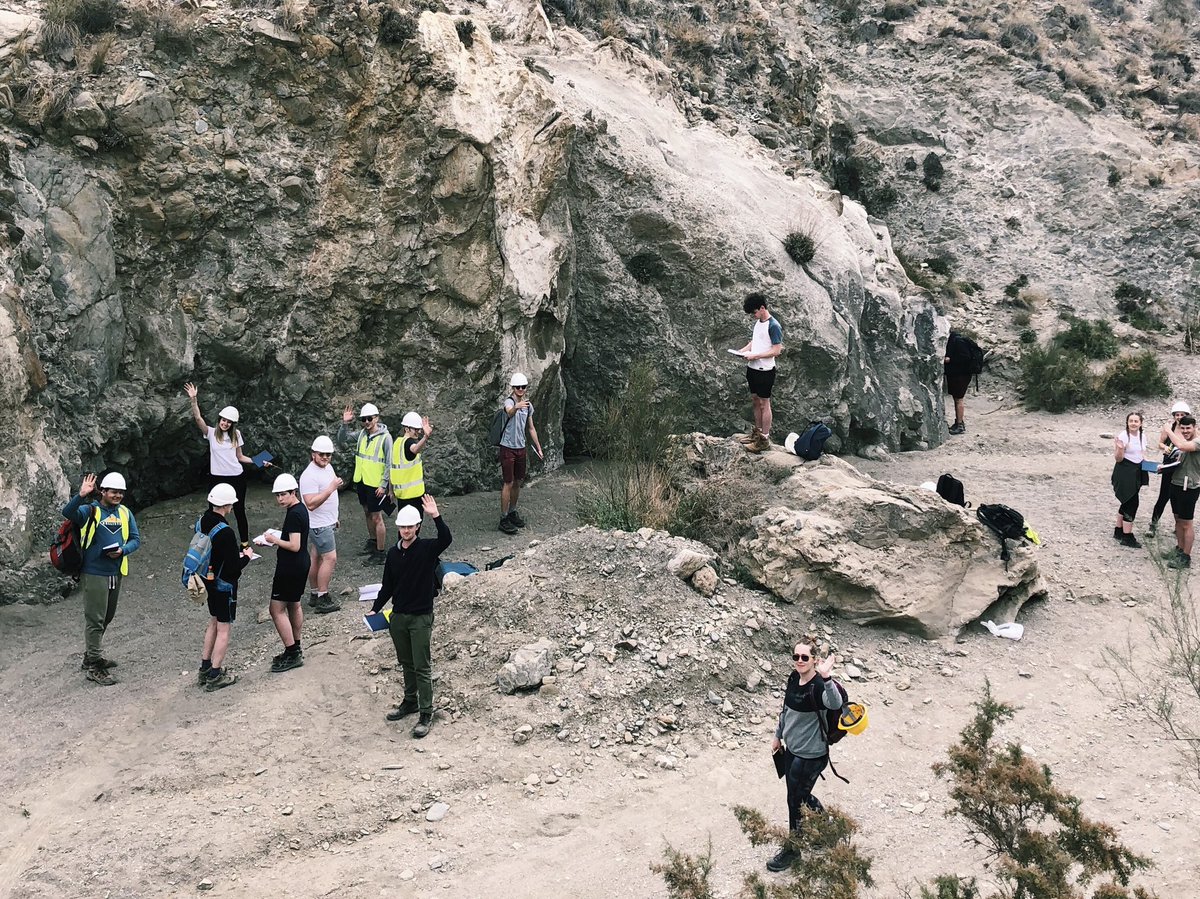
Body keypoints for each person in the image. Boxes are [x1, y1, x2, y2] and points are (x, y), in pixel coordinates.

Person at [373, 496, 452, 738]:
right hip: (398, 616)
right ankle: (410, 701)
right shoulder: (393, 554)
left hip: (420, 617)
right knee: (406, 662)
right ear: (398, 528)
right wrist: (375, 609)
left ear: (417, 526)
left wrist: (436, 516)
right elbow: (387, 586)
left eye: (410, 526)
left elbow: (446, 539)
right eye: (403, 527)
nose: (406, 531)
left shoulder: (427, 549)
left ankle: (426, 712)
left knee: (422, 666)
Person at [766, 636, 842, 873]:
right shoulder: (793, 679)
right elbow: (785, 711)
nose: (799, 660)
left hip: (811, 754)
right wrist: (778, 735)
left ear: (814, 660)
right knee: (800, 795)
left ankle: (793, 849)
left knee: (794, 800)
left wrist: (827, 677)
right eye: (796, 656)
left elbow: (835, 703)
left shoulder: (819, 686)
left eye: (805, 657)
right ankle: (827, 828)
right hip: (792, 750)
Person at [62, 472, 141, 686]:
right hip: (94, 572)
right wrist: (81, 495)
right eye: (114, 492)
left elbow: (135, 539)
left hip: (115, 571)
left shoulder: (124, 513)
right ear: (103, 491)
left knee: (107, 616)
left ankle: (91, 655)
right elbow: (67, 512)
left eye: (121, 493)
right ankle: (94, 665)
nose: (118, 496)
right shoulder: (90, 510)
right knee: (95, 619)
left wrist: (123, 550)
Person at [184, 382, 272, 545]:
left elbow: (240, 457)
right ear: (220, 420)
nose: (225, 423)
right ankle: (208, 542)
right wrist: (193, 399)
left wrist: (260, 461)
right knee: (213, 510)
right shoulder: (211, 433)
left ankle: (244, 544)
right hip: (217, 478)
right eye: (223, 420)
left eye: (229, 422)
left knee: (239, 510)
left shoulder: (236, 434)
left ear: (232, 424)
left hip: (236, 477)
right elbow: (198, 418)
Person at [197, 482, 254, 692]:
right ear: (226, 505)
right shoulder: (226, 532)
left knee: (213, 621)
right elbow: (233, 567)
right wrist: (246, 557)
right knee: (224, 628)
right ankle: (215, 675)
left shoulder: (202, 521)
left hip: (207, 581)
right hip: (224, 586)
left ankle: (205, 667)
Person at [264, 473, 311, 671]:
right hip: (300, 564)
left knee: (276, 609)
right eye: (278, 495)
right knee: (294, 604)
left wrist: (274, 540)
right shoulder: (300, 509)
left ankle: (292, 652)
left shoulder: (293, 514)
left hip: (290, 567)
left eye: (283, 494)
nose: (280, 499)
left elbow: (294, 545)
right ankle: (295, 646)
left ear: (293, 492)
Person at [338, 402, 394, 564]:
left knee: (377, 517)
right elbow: (342, 440)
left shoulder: (386, 438)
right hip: (362, 481)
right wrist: (345, 423)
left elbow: (389, 463)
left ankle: (380, 553)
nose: (367, 422)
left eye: (369, 418)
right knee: (367, 512)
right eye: (363, 419)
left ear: (377, 418)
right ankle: (373, 542)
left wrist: (384, 485)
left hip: (376, 484)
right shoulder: (362, 434)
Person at [299, 435, 343, 614]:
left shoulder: (327, 468)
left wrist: (334, 517)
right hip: (319, 525)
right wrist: (331, 488)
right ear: (313, 454)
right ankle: (322, 597)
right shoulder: (309, 476)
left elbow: (329, 496)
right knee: (330, 558)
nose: (325, 457)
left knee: (316, 556)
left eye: (328, 454)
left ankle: (315, 593)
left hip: (326, 521)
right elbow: (310, 503)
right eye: (321, 454)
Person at [736, 292, 783, 453]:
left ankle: (764, 438)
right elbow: (755, 341)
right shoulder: (759, 323)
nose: (754, 315)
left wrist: (755, 356)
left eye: (755, 312)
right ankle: (757, 433)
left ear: (762, 308)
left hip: (765, 370)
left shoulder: (774, 326)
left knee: (764, 403)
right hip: (753, 368)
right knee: (755, 400)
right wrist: (742, 351)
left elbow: (777, 350)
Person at [498, 373, 544, 535]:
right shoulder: (509, 402)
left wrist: (538, 447)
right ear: (513, 388)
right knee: (508, 482)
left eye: (523, 387)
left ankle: (512, 511)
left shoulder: (528, 406)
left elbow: (531, 428)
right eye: (517, 387)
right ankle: (504, 518)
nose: (520, 389)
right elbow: (509, 412)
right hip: (507, 447)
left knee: (518, 481)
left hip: (520, 447)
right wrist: (517, 407)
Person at [1148, 401, 1191, 537]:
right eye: (1177, 415)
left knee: (1178, 497)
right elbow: (1160, 443)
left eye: (1182, 414)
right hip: (1169, 465)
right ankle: (1153, 525)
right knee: (1164, 495)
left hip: (1183, 467)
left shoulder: (1189, 430)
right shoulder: (1169, 428)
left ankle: (1178, 526)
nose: (1179, 417)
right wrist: (1165, 447)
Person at [1164, 414, 1200, 570]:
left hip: (1189, 486)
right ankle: (1179, 549)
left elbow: (1183, 446)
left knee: (1187, 523)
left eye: (1188, 428)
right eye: (1182, 428)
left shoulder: (1197, 442)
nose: (1185, 431)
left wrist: (1168, 431)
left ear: (1194, 427)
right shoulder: (1185, 441)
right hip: (1176, 483)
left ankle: (1186, 556)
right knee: (1178, 519)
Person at [1111, 411, 1148, 549]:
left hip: (1137, 470)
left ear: (1140, 423)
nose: (1133, 423)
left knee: (1127, 500)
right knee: (1132, 503)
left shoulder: (1142, 436)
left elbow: (1142, 453)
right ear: (1127, 423)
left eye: (1136, 421)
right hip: (1125, 471)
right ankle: (1127, 536)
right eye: (1131, 421)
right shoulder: (1123, 436)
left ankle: (1118, 530)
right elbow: (1118, 459)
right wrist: (1120, 449)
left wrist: (1150, 464)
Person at [391, 411, 432, 522]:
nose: (418, 432)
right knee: (414, 526)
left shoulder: (397, 443)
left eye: (419, 429)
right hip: (413, 496)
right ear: (407, 429)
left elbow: (392, 469)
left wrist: (390, 490)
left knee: (404, 526)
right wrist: (425, 437)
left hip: (401, 495)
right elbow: (414, 449)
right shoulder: (408, 442)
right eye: (416, 429)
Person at [943, 331, 976, 436]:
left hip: (961, 375)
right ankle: (958, 422)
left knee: (958, 399)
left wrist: (950, 359)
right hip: (958, 375)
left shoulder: (956, 341)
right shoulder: (955, 340)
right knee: (957, 399)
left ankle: (960, 424)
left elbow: (965, 357)